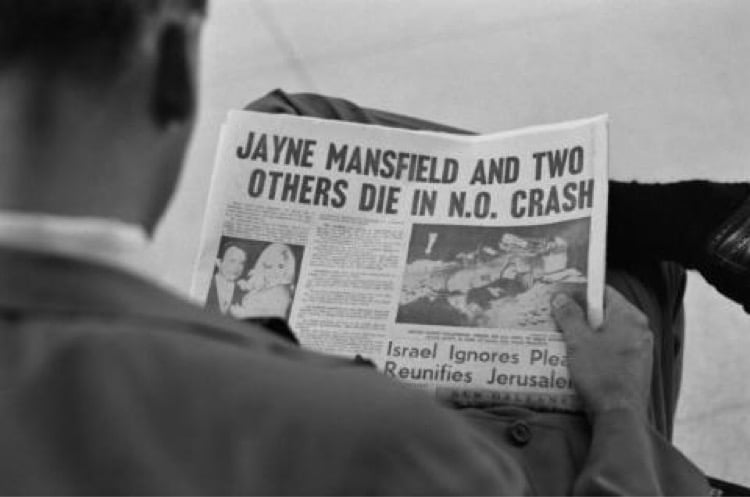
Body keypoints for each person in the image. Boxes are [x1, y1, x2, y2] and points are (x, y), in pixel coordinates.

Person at [0, 0, 744, 494]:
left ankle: (670, 219)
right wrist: (617, 406)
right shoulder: (383, 441)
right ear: (171, 62)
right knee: (627, 286)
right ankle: (670, 225)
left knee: (288, 123)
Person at [230, 243, 296, 319]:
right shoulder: (264, 285)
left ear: (288, 268)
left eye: (280, 266)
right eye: (270, 266)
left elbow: (272, 317)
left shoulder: (282, 290)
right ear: (263, 267)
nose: (275, 272)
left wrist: (243, 314)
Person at [205, 242, 247, 314]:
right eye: (232, 261)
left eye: (241, 263)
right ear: (219, 262)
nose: (237, 268)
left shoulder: (244, 292)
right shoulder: (205, 283)